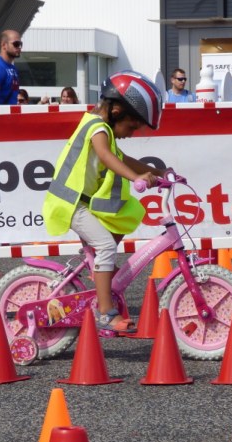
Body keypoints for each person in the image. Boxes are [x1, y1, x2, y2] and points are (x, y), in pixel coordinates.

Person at [42, 71, 164, 334]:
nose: (131, 134)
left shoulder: (102, 127)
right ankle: (105, 312)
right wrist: (136, 178)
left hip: (81, 202)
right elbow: (107, 156)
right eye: (131, 127)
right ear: (117, 111)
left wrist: (161, 173)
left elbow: (124, 158)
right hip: (71, 203)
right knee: (106, 245)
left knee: (126, 214)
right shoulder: (97, 128)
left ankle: (102, 269)